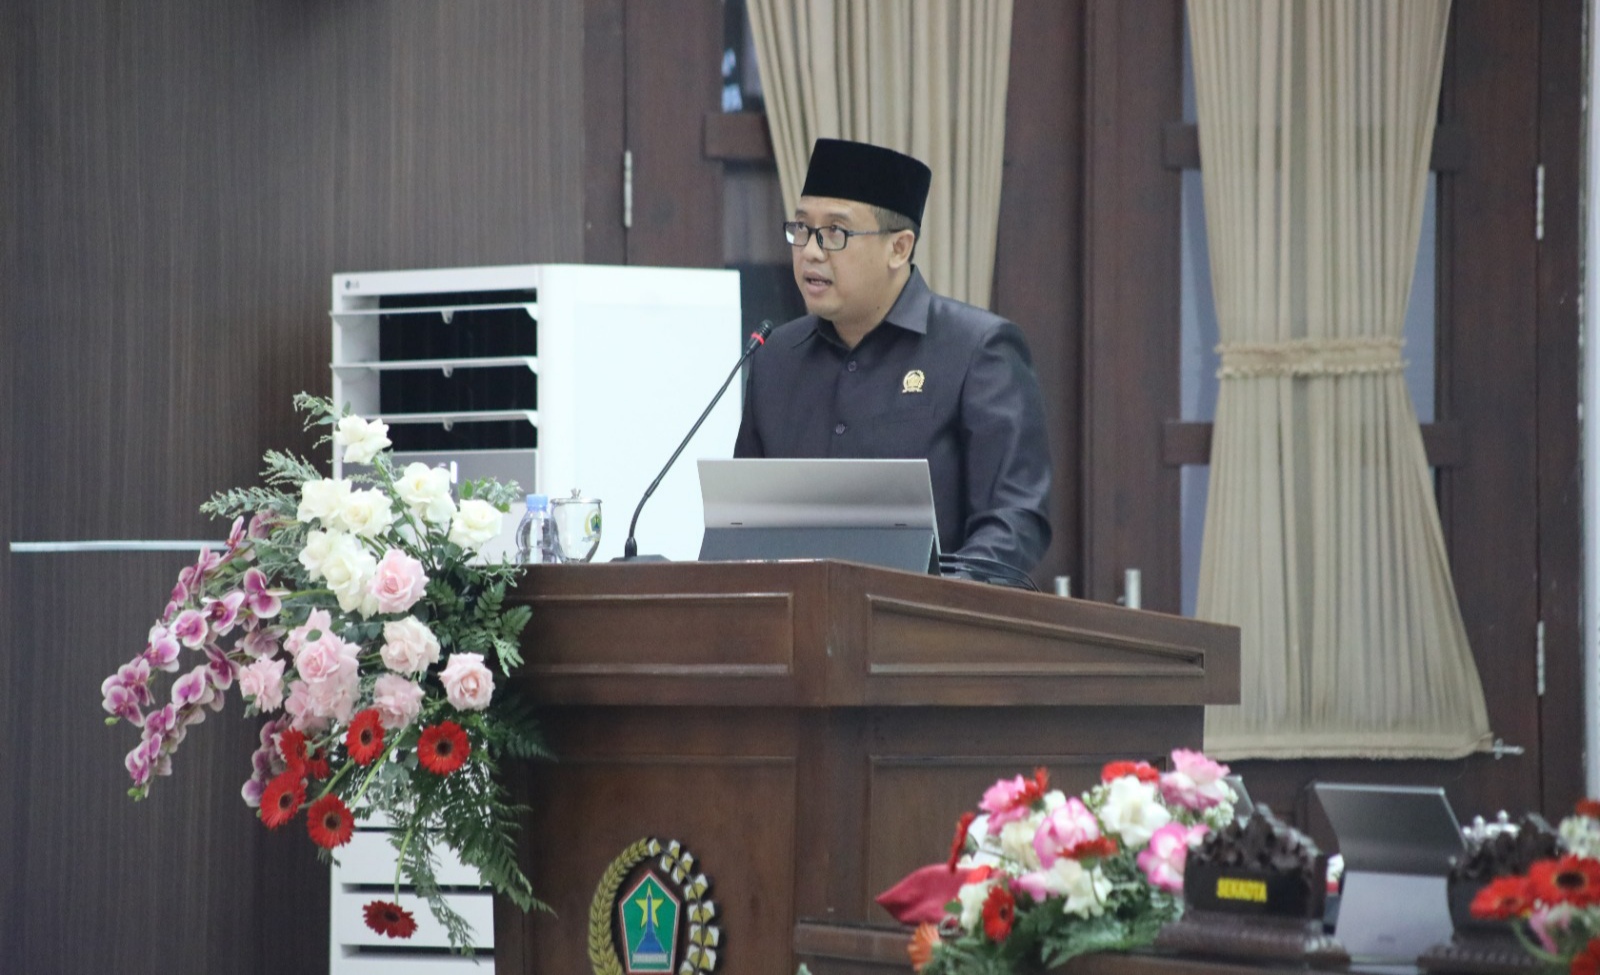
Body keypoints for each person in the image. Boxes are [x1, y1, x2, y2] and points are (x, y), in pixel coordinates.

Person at [734, 138, 1052, 577]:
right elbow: (743, 523)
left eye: (835, 233)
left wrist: (932, 598)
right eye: (802, 228)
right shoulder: (776, 359)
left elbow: (1015, 519)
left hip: (928, 616)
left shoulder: (977, 350)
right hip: (797, 615)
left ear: (899, 248)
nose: (810, 251)